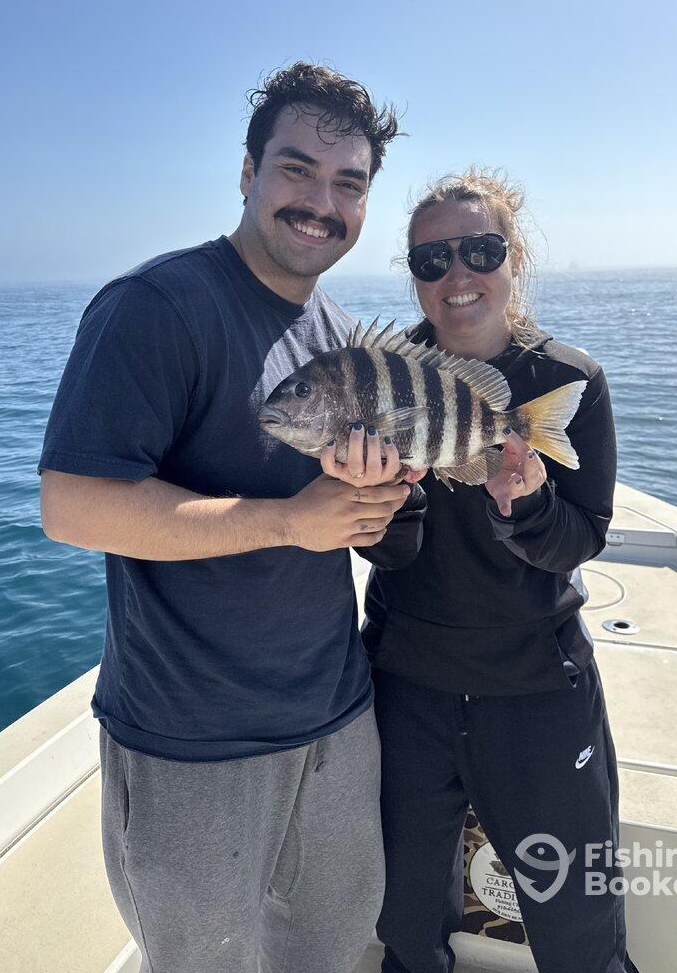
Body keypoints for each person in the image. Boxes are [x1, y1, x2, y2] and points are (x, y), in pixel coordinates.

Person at [38, 62, 426, 973]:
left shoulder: (337, 333)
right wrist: (291, 520)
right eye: (296, 169)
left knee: (329, 951)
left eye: (348, 184)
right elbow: (73, 505)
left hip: (337, 718)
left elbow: (348, 523)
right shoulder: (158, 307)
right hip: (190, 744)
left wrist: (373, 503)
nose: (320, 202)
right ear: (247, 173)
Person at [333, 169, 638, 973]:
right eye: (431, 260)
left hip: (536, 684)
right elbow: (385, 553)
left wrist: (526, 508)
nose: (457, 275)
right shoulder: (379, 385)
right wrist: (389, 499)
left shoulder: (568, 380)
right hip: (408, 684)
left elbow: (582, 538)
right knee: (405, 917)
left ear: (514, 258)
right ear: (414, 276)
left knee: (580, 918)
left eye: (479, 249)